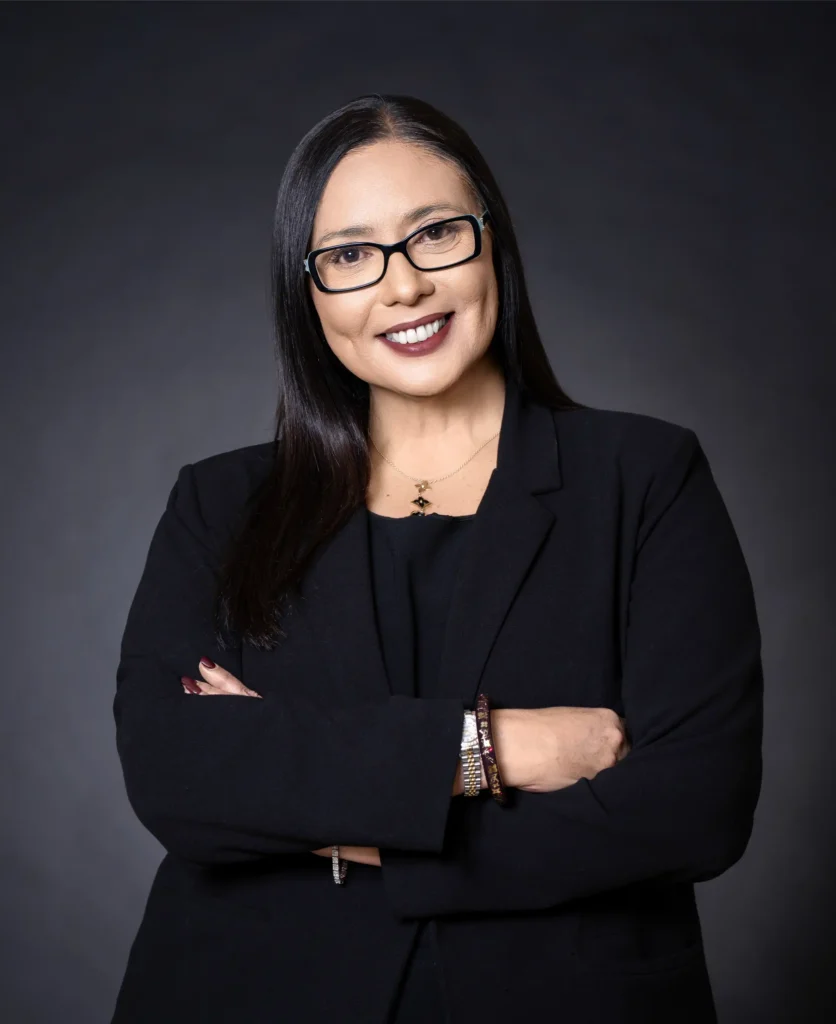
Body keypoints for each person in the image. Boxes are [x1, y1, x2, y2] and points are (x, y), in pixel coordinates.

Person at [110, 93, 763, 1024]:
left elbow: (695, 807)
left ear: (492, 242)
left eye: (435, 235)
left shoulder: (645, 476)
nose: (403, 285)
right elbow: (178, 772)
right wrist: (491, 750)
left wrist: (328, 807)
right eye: (348, 255)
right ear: (309, 292)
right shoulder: (221, 505)